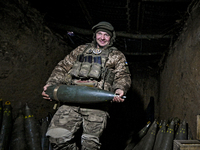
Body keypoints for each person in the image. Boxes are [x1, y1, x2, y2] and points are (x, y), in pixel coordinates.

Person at [42, 21, 131, 150]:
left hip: (97, 105)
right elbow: (62, 67)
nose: (102, 37)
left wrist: (120, 89)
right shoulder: (80, 50)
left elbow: (123, 75)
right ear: (95, 35)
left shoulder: (116, 56)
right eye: (99, 33)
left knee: (90, 145)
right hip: (70, 101)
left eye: (106, 35)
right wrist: (50, 85)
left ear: (111, 38)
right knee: (57, 139)